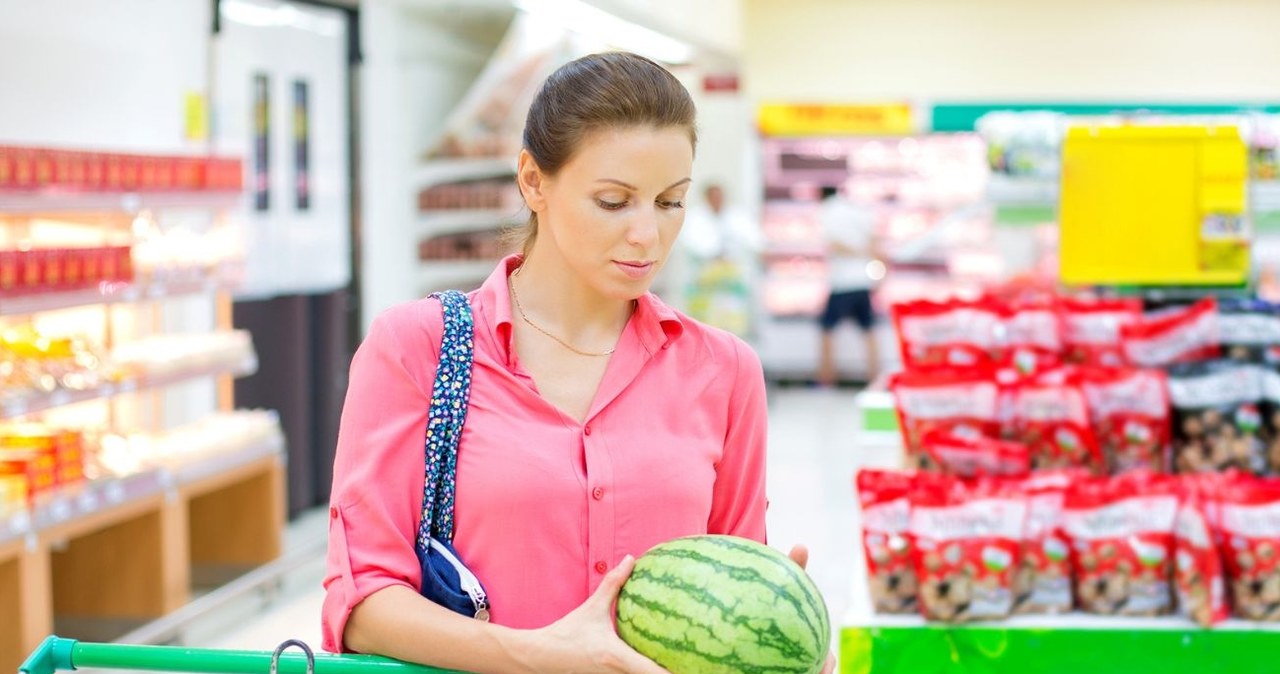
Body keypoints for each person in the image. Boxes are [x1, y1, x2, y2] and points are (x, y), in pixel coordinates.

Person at [322, 52, 833, 674]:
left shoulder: (724, 371)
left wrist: (773, 636)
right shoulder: (418, 347)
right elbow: (362, 599)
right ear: (534, 181)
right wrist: (538, 656)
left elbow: (731, 585)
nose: (647, 233)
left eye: (670, 202)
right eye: (614, 202)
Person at [816, 184, 881, 387]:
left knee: (826, 330)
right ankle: (874, 378)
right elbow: (874, 241)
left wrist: (856, 253)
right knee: (868, 331)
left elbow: (833, 243)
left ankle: (826, 378)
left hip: (842, 282)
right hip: (863, 280)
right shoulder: (859, 210)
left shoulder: (828, 211)